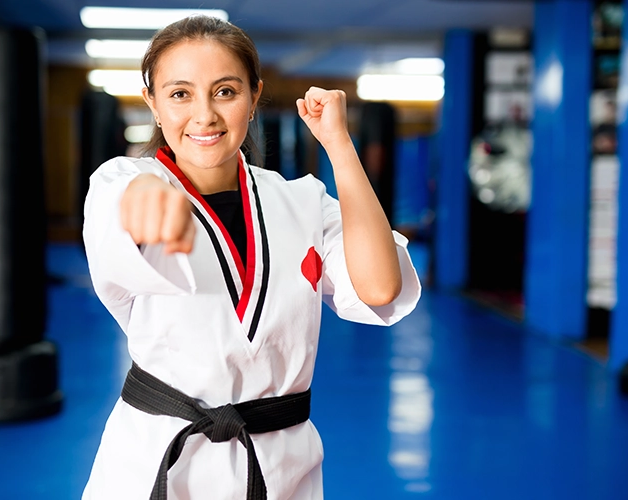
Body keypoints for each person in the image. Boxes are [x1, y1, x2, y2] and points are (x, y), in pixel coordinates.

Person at [81, 15, 421, 500]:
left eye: (225, 91)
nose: (204, 116)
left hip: (278, 464)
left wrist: (339, 147)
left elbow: (380, 288)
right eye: (180, 94)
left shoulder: (302, 202)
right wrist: (141, 204)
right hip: (157, 460)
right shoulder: (123, 181)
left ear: (254, 97)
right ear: (153, 103)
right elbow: (120, 208)